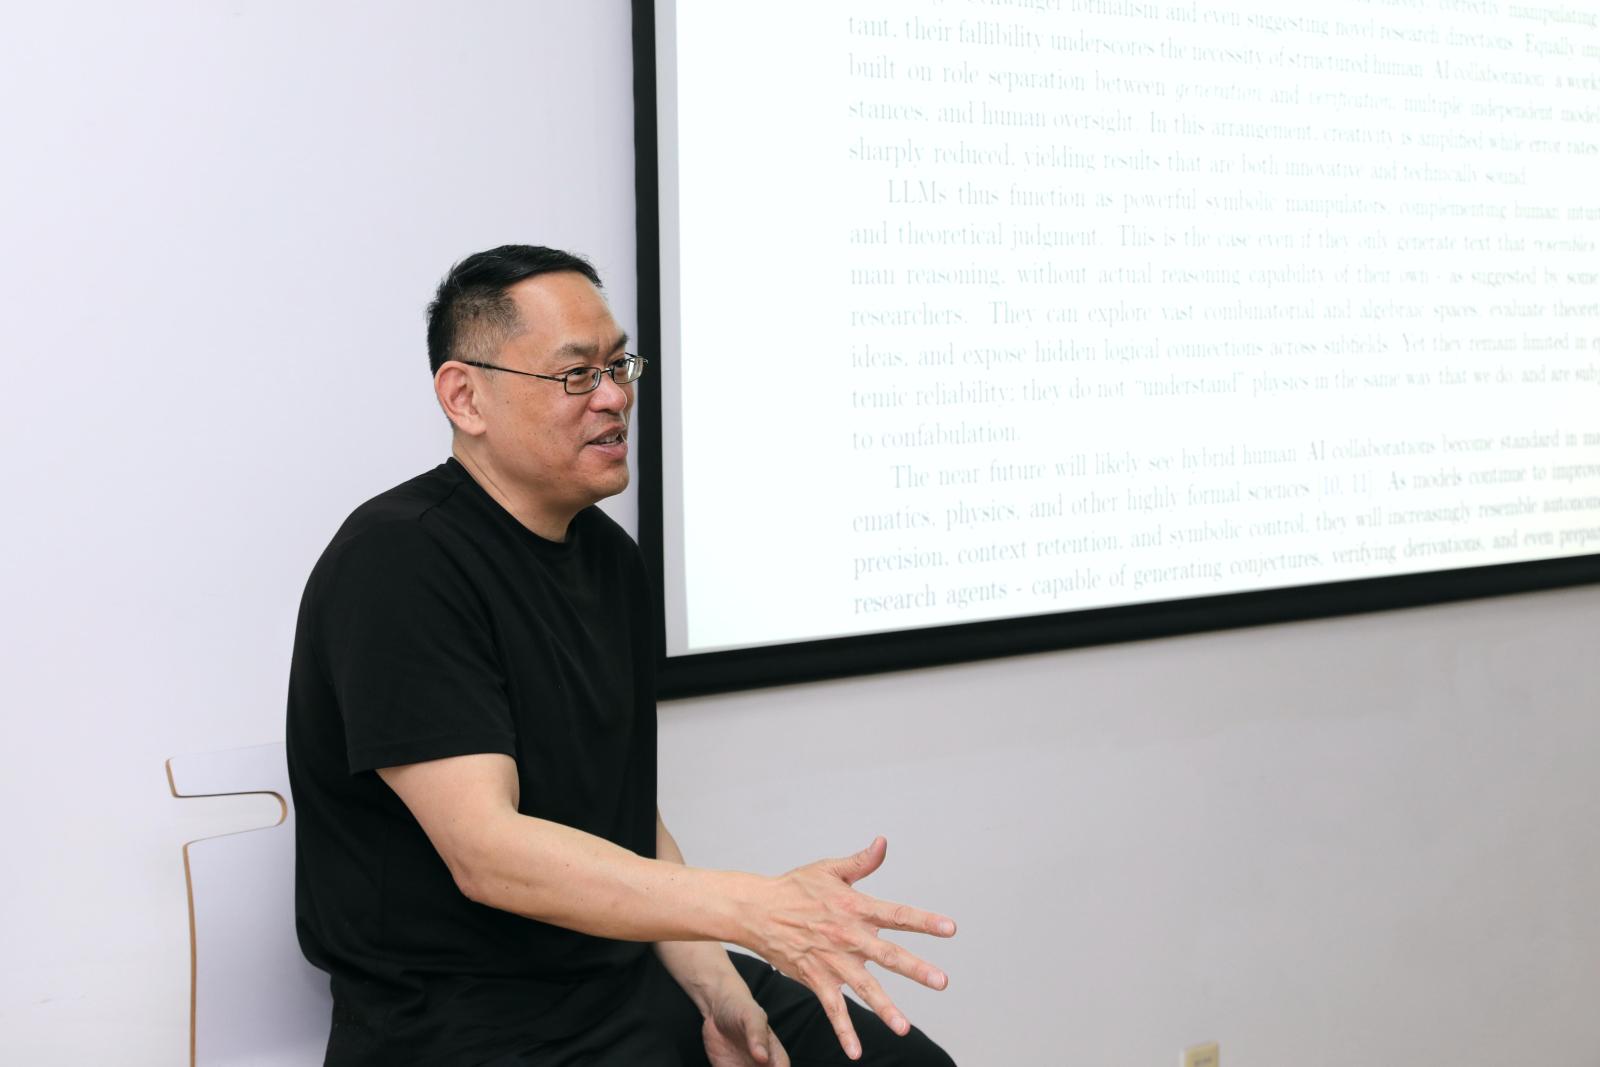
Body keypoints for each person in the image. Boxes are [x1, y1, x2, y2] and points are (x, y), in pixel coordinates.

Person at [286, 245, 958, 1066]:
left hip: (621, 978)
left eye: (618, 365)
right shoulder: (398, 562)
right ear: (465, 396)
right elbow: (487, 853)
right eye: (576, 374)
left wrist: (719, 990)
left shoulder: (609, 556)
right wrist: (754, 909)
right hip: (462, 1023)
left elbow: (624, 814)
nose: (614, 397)